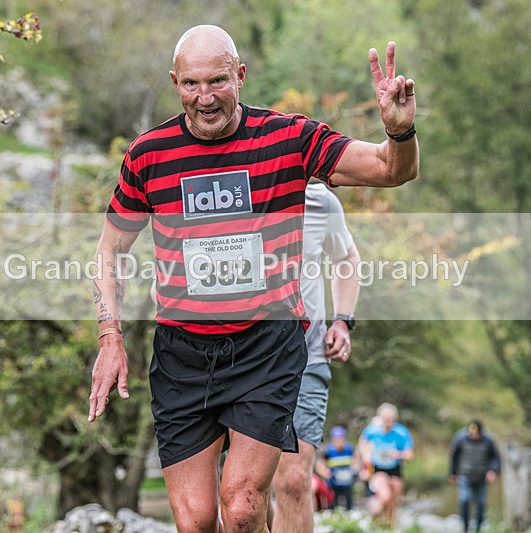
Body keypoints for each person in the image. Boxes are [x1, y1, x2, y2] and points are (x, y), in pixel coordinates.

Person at [88, 24, 418, 533]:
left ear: (240, 76)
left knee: (241, 509)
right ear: (174, 82)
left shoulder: (288, 138)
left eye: (218, 81)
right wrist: (110, 336)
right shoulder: (148, 156)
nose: (205, 97)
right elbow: (110, 248)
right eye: (191, 84)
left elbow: (388, 170)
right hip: (183, 354)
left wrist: (398, 132)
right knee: (196, 521)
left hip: (267, 346)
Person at [270, 181, 361, 531]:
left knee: (293, 478)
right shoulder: (232, 187)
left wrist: (342, 320)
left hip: (308, 354)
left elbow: (346, 257)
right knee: (247, 493)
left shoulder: (319, 198)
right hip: (240, 361)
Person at [357, 403, 414, 528]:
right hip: (378, 469)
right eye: (384, 419)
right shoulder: (372, 430)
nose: (387, 422)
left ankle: (389, 527)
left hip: (395, 469)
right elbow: (362, 446)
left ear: (394, 420)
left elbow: (409, 455)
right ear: (380, 418)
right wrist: (364, 466)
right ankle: (375, 516)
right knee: (385, 496)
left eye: (390, 420)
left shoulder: (401, 432)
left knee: (393, 503)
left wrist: (399, 454)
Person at [448, 420, 501, 533]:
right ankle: (465, 527)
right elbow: (453, 455)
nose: (473, 435)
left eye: (476, 434)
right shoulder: (460, 438)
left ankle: (479, 527)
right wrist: (453, 473)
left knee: (481, 504)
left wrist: (493, 471)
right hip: (465, 476)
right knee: (464, 499)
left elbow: (496, 457)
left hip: (482, 477)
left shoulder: (489, 440)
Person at [317, 426, 356, 511]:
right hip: (333, 483)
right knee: (333, 505)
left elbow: (355, 461)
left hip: (347, 483)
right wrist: (327, 473)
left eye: (341, 439)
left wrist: (354, 470)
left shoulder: (349, 449)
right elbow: (320, 465)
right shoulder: (328, 451)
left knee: (349, 505)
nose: (339, 442)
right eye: (337, 439)